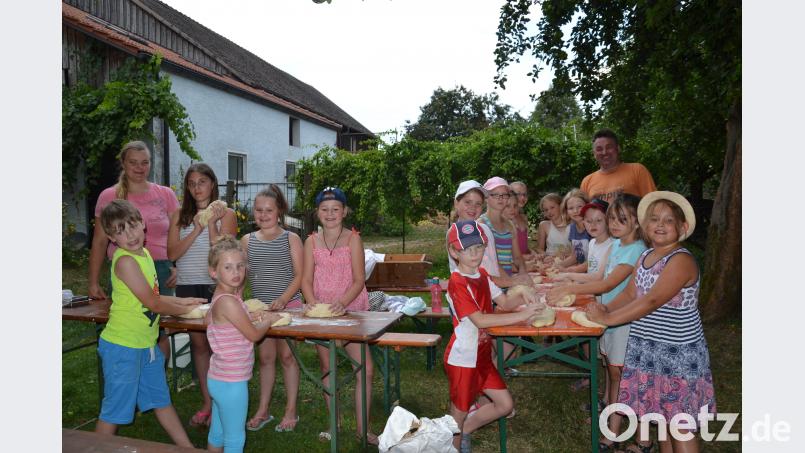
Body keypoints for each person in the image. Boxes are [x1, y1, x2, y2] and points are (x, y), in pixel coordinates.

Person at [585, 191, 716, 453]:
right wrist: (606, 307)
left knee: (680, 423)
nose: (660, 225)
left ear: (683, 227)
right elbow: (631, 293)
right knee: (661, 417)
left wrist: (608, 319)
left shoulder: (681, 260)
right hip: (650, 350)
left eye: (668, 221)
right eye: (654, 219)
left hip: (677, 355)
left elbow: (651, 301)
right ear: (645, 225)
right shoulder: (645, 257)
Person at [94, 200, 204, 446]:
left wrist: (185, 302)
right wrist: (181, 308)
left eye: (132, 226)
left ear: (143, 223)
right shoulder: (125, 262)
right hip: (123, 347)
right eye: (120, 231)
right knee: (114, 411)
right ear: (112, 238)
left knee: (160, 399)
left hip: (146, 345)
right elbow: (153, 304)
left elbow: (153, 297)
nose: (130, 235)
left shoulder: (144, 254)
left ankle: (187, 449)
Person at [548, 194, 647, 429]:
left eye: (621, 219)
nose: (614, 223)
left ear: (637, 221)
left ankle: (615, 427)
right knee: (611, 370)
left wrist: (568, 286)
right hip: (609, 314)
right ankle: (611, 415)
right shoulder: (618, 244)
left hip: (623, 320)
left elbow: (607, 284)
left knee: (618, 374)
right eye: (612, 218)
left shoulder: (635, 249)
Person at [444, 219, 543, 452]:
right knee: (458, 412)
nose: (474, 254)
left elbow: (505, 302)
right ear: (454, 251)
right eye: (467, 249)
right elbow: (480, 320)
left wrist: (523, 296)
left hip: (482, 356)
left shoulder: (482, 275)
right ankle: (452, 446)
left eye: (479, 248)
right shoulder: (457, 282)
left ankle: (466, 430)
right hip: (463, 359)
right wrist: (523, 316)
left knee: (505, 405)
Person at [89, 140, 180, 360]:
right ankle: (125, 366)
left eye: (145, 163)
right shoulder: (109, 196)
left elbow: (176, 235)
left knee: (159, 329)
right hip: (127, 270)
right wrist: (92, 282)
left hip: (161, 270)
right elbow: (100, 241)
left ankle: (154, 374)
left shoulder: (166, 194)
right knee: (130, 321)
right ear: (123, 163)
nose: (140, 168)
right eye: (133, 163)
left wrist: (175, 265)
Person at [300, 186, 377, 445]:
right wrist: (313, 305)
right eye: (325, 209)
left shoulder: (353, 238)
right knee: (327, 367)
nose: (330, 213)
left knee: (364, 369)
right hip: (322, 314)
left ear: (344, 211)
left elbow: (358, 279)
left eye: (336, 209)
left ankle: (362, 428)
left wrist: (342, 304)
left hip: (351, 310)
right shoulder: (310, 241)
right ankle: (334, 423)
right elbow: (306, 280)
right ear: (317, 213)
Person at [167, 163, 237, 427]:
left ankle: (225, 401)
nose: (197, 188)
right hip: (187, 286)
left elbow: (222, 251)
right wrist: (195, 227)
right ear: (187, 187)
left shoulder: (227, 213)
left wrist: (210, 222)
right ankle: (208, 402)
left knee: (220, 345)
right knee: (198, 345)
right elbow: (172, 254)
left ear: (212, 184)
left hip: (216, 286)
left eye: (202, 182)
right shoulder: (178, 215)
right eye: (192, 183)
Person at [205, 236, 283, 453]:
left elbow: (214, 321)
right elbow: (253, 335)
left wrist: (250, 315)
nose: (236, 272)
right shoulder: (229, 301)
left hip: (219, 377)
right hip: (232, 382)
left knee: (218, 433)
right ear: (214, 271)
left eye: (240, 266)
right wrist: (268, 321)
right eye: (228, 267)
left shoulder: (223, 296)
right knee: (235, 439)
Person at [241, 185, 303, 433]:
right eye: (258, 210)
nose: (263, 214)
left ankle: (290, 409)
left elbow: (300, 275)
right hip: (261, 311)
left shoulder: (291, 238)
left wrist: (283, 299)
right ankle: (263, 409)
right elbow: (240, 276)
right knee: (265, 359)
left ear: (279, 212)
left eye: (269, 210)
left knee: (288, 357)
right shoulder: (247, 240)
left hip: (289, 307)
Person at [580, 129, 656, 203]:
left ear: (618, 148)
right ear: (594, 154)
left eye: (609, 147)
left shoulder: (637, 170)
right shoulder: (587, 182)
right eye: (599, 149)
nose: (604, 152)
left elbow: (653, 204)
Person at [478, 177, 529, 280]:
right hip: (490, 285)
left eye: (504, 195)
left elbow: (518, 257)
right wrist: (512, 282)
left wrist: (523, 272)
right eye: (495, 194)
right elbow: (491, 262)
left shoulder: (510, 226)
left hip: (507, 282)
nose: (501, 198)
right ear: (486, 198)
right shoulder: (481, 224)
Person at [553, 198, 613, 286]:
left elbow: (598, 277)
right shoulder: (592, 243)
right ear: (584, 222)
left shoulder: (612, 245)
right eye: (589, 221)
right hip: (591, 291)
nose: (593, 225)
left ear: (608, 221)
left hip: (603, 297)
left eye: (599, 220)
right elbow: (590, 270)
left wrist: (569, 275)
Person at [555, 188, 591, 269]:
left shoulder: (593, 228)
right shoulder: (572, 228)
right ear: (566, 211)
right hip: (580, 271)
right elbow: (574, 257)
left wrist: (574, 270)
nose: (575, 211)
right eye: (571, 208)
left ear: (587, 206)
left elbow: (595, 260)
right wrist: (556, 266)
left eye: (580, 206)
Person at [535, 192, 570, 257]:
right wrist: (545, 256)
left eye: (552, 207)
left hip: (570, 261)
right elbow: (539, 248)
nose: (549, 212)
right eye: (546, 210)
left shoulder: (571, 224)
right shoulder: (544, 225)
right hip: (550, 262)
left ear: (560, 206)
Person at [509, 181, 535, 258]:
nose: (523, 198)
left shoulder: (524, 218)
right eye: (518, 194)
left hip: (525, 262)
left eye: (524, 194)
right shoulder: (507, 218)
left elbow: (523, 246)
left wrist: (532, 252)